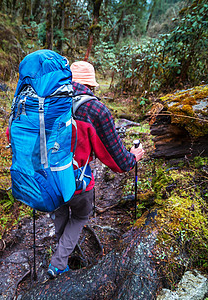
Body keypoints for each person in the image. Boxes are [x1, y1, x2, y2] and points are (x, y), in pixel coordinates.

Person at [47, 61, 145, 278]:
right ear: (90, 86)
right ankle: (59, 262)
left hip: (46, 178)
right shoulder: (94, 109)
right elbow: (118, 161)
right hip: (76, 182)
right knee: (81, 215)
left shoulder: (46, 101)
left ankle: (64, 247)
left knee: (59, 208)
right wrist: (134, 157)